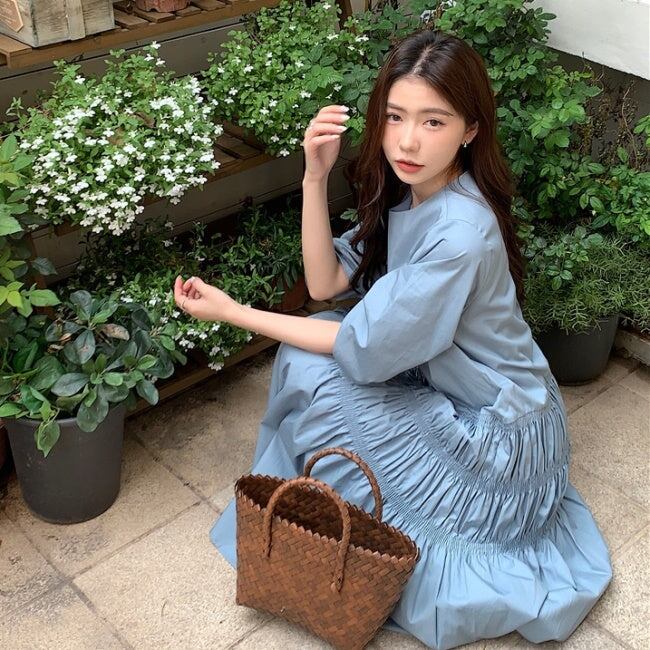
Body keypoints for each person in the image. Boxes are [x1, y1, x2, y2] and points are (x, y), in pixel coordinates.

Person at [173, 29, 612, 650]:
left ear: (470, 130)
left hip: (497, 426)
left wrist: (234, 312)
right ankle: (335, 500)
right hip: (463, 388)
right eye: (395, 116)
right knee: (315, 348)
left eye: (434, 121)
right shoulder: (418, 190)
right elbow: (326, 283)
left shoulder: (459, 233)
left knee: (314, 364)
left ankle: (351, 518)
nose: (407, 141)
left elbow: (358, 348)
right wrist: (314, 178)